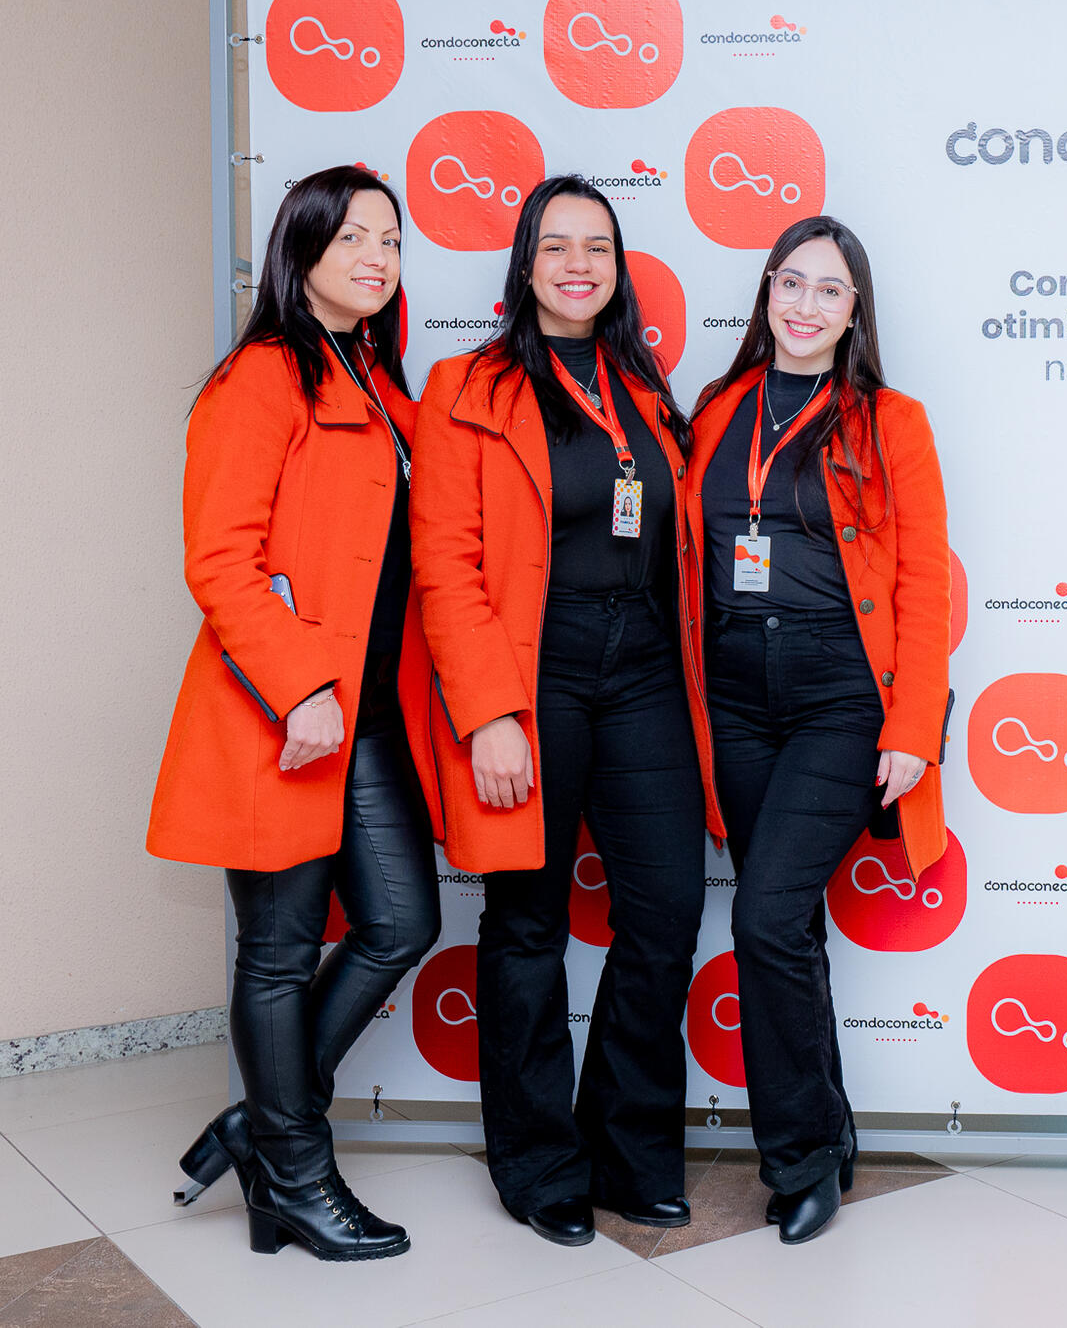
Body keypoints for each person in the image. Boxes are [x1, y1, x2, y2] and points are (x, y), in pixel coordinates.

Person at [410, 176, 712, 1248]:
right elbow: (445, 564)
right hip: (531, 674)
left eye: (598, 246)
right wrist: (488, 712)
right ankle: (539, 1162)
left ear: (617, 269)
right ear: (525, 265)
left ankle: (629, 1151)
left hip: (645, 675)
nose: (578, 264)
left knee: (665, 912)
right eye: (556, 245)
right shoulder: (465, 385)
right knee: (528, 922)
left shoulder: (645, 389)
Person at [148, 165, 440, 1261]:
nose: (377, 257)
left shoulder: (379, 380)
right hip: (286, 713)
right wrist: (300, 686)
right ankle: (298, 1175)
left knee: (400, 922)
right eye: (353, 236)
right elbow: (220, 560)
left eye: (391, 240)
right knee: (277, 953)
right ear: (302, 250)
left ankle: (260, 1128)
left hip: (370, 711)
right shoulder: (262, 375)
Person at [684, 216, 950, 1244]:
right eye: (789, 283)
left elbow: (923, 582)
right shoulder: (718, 408)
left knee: (761, 918)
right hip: (734, 694)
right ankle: (828, 1131)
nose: (803, 305)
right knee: (788, 925)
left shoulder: (891, 420)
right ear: (766, 293)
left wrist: (912, 724)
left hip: (840, 691)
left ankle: (796, 1162)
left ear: (853, 312)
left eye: (828, 290)